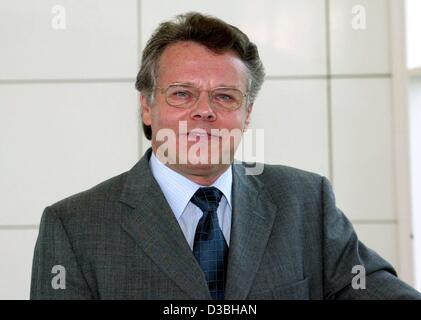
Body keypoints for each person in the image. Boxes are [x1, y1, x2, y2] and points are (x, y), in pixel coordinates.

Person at [30, 12, 421, 300]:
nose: (204, 111)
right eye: (182, 93)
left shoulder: (306, 201)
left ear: (246, 114)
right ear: (147, 107)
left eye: (225, 96)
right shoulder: (73, 227)